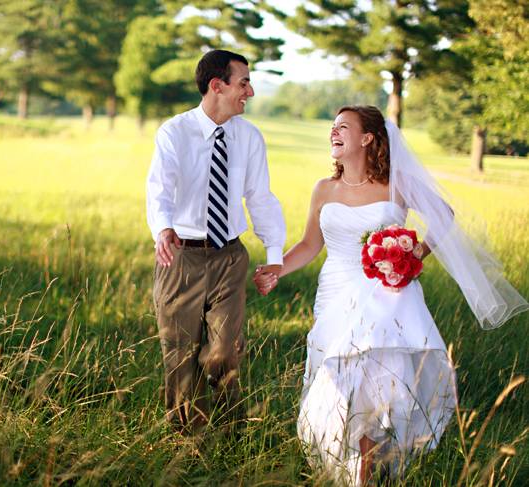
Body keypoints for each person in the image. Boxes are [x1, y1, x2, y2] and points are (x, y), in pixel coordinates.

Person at [254, 105, 528, 485]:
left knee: (373, 384)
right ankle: (347, 465)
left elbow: (444, 214)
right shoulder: (324, 189)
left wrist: (414, 254)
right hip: (336, 291)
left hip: (387, 295)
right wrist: (276, 269)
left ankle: (364, 470)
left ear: (367, 138)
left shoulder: (397, 184)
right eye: (332, 127)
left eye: (343, 127)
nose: (334, 132)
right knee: (335, 383)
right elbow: (309, 244)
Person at [146, 49, 286, 432]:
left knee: (224, 352)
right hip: (181, 257)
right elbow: (160, 188)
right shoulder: (175, 132)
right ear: (216, 85)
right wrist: (162, 228)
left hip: (229, 257)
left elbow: (260, 197)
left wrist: (274, 256)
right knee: (180, 357)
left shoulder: (249, 137)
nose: (250, 92)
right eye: (243, 83)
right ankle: (188, 444)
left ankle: (230, 431)